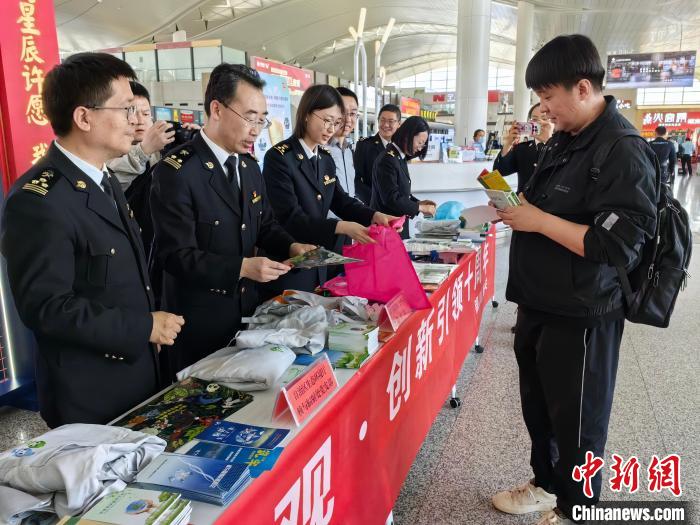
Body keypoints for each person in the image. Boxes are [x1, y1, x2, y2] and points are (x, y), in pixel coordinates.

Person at [491, 35, 657, 525]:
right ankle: (546, 484)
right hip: (540, 300)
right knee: (540, 410)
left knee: (580, 423)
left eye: (548, 97)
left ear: (582, 88)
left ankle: (578, 509)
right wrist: (517, 210)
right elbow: (547, 207)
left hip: (583, 312)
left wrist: (538, 221)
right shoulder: (565, 139)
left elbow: (618, 247)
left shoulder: (623, 150)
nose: (543, 109)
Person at [0, 52, 185, 428]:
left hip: (137, 373)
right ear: (84, 117)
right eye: (125, 109)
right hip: (90, 396)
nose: (135, 121)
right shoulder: (39, 199)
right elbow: (47, 308)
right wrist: (143, 327)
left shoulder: (103, 179)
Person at [150, 63, 315, 379]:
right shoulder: (177, 172)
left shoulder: (249, 167)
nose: (256, 128)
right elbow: (175, 256)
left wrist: (293, 246)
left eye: (262, 120)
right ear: (216, 109)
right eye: (250, 117)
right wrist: (242, 267)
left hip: (245, 318)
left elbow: (264, 224)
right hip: (198, 324)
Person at [262, 84, 398, 295]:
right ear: (307, 114)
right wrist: (341, 227)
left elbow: (340, 200)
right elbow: (290, 218)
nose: (330, 129)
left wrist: (374, 215)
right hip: (290, 264)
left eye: (335, 123)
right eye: (326, 120)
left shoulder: (324, 159)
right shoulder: (279, 158)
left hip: (319, 263)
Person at [370, 116, 436, 239]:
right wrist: (420, 207)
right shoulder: (388, 159)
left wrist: (418, 202)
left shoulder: (399, 157)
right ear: (407, 136)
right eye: (420, 142)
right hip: (386, 228)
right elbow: (391, 198)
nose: (420, 148)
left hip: (397, 226)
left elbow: (401, 193)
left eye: (423, 144)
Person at [107, 81, 172, 191]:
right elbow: (110, 185)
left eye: (146, 114)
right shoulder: (107, 149)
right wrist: (143, 151)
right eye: (131, 112)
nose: (140, 121)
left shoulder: (160, 146)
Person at [494, 103, 555, 193]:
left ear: (554, 122)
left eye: (544, 119)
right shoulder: (522, 148)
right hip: (522, 202)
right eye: (534, 119)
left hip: (548, 206)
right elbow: (500, 172)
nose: (539, 122)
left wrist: (548, 141)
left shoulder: (564, 147)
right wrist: (508, 144)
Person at [354, 103, 402, 204]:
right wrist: (376, 202)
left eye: (391, 121)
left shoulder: (400, 149)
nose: (385, 125)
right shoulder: (364, 146)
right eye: (382, 120)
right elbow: (356, 180)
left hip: (397, 208)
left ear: (399, 124)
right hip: (373, 209)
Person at [327, 86, 359, 197]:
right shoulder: (318, 149)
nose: (348, 120)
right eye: (343, 113)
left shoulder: (349, 150)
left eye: (352, 114)